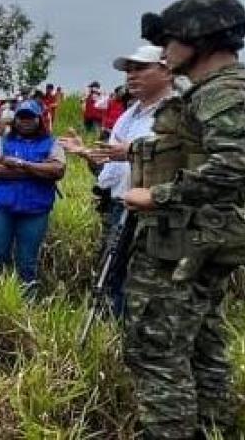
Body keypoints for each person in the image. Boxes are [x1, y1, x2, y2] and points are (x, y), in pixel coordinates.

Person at [123, 0, 245, 437]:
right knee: (203, 345)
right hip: (189, 240)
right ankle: (212, 427)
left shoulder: (227, 91)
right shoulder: (209, 93)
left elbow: (243, 164)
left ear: (199, 37)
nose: (164, 50)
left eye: (170, 39)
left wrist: (159, 197)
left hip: (184, 243)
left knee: (155, 347)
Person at [61, 45, 175, 318]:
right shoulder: (128, 115)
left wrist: (132, 153)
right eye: (128, 71)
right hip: (118, 206)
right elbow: (110, 169)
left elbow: (179, 164)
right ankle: (113, 332)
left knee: (145, 283)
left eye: (140, 68)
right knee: (112, 271)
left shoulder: (177, 113)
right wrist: (89, 155)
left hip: (154, 212)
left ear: (167, 70)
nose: (131, 76)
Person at [0, 101, 66, 296]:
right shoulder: (3, 141)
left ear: (39, 119)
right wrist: (39, 170)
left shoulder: (52, 142)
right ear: (15, 120)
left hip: (35, 209)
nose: (25, 121)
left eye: (30, 117)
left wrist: (20, 164)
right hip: (1, 207)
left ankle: (28, 304)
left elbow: (58, 170)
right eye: (21, 117)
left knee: (27, 260)